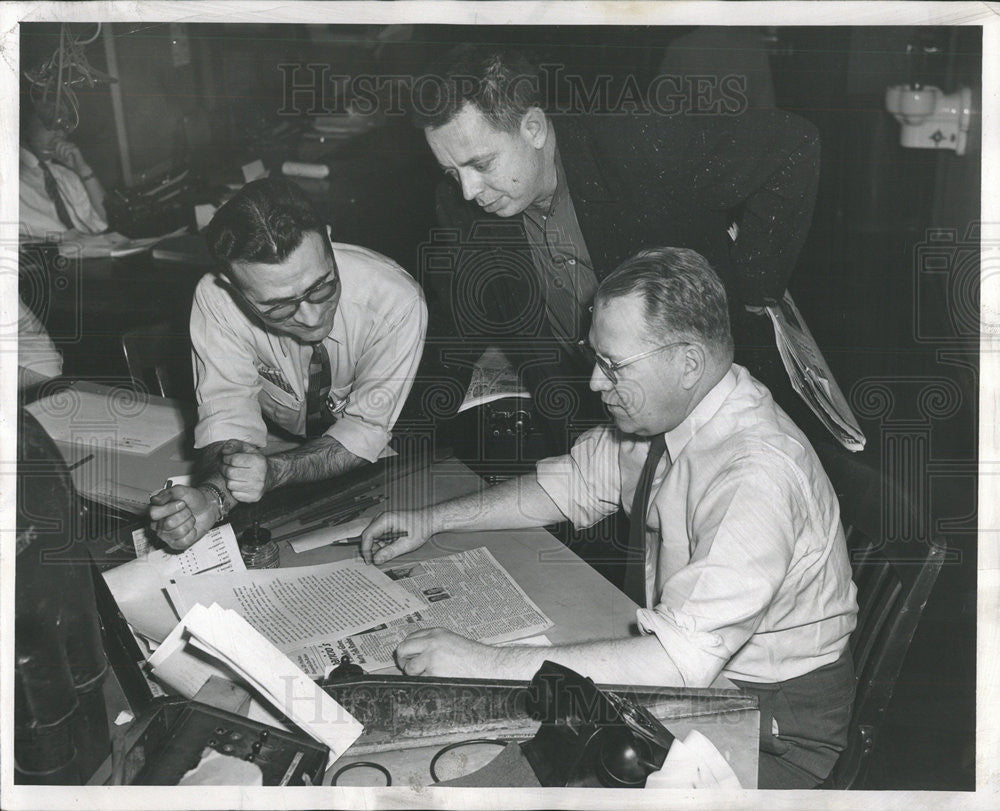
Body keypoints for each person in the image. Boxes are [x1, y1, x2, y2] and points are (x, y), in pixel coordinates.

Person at [361, 247, 858, 789]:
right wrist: (433, 520)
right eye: (595, 358)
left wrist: (481, 660)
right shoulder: (671, 415)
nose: (596, 383)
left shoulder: (754, 472)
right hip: (704, 670)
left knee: (500, 761)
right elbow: (569, 486)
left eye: (613, 365)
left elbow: (678, 665)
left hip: (768, 721)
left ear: (688, 362)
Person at [413, 45, 820, 455]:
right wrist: (383, 436)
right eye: (452, 171)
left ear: (533, 128)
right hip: (589, 425)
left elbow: (793, 144)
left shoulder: (639, 142)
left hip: (706, 404)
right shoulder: (457, 208)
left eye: (481, 164)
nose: (468, 190)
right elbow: (454, 329)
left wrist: (753, 287)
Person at [149, 178, 427, 550]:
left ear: (328, 239)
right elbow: (229, 420)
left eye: (322, 288)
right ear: (233, 288)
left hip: (393, 452)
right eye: (278, 306)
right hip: (277, 450)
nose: (311, 318)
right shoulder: (216, 299)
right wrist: (212, 498)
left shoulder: (396, 301)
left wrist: (274, 472)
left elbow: (362, 433)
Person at [20, 99, 108, 239]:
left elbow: (107, 220)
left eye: (64, 126)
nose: (59, 134)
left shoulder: (67, 175)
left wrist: (83, 170)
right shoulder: (9, 178)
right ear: (24, 126)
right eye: (51, 124)